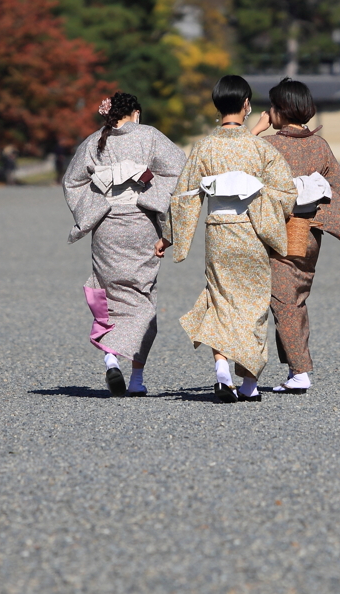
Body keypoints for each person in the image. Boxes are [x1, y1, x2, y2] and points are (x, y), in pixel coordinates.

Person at [164, 75, 296, 403]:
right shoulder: (259, 147)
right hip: (252, 231)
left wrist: (171, 237)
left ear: (217, 106)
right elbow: (286, 194)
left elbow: (184, 196)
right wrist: (260, 195)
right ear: (247, 105)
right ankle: (250, 386)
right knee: (252, 306)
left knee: (220, 299)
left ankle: (222, 370)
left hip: (218, 232)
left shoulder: (203, 147)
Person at [63, 92, 187, 397]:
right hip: (141, 223)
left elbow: (72, 182)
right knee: (142, 299)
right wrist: (150, 195)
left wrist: (95, 206)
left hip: (106, 227)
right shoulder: (150, 136)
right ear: (136, 112)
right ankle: (136, 379)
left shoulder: (94, 142)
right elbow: (179, 170)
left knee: (111, 292)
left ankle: (110, 357)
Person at [251, 78, 340, 394]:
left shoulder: (268, 145)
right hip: (309, 231)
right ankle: (296, 367)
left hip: (280, 231)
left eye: (271, 107)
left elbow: (237, 162)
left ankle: (299, 372)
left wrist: (255, 130)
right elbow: (338, 188)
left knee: (284, 301)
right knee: (296, 296)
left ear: (280, 111)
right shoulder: (320, 146)